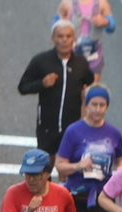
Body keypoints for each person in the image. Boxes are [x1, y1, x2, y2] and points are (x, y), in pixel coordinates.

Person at [17, 21, 94, 157]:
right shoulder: (41, 61)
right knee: (46, 165)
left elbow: (89, 80)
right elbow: (23, 87)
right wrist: (42, 83)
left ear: (74, 38)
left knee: (68, 165)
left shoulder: (81, 63)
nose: (64, 40)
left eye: (68, 36)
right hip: (47, 128)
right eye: (60, 36)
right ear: (53, 38)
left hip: (72, 127)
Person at [57, 0, 112, 84]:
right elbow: (55, 24)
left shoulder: (102, 3)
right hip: (71, 57)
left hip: (93, 57)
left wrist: (105, 22)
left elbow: (111, 28)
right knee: (71, 87)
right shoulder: (67, 3)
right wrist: (61, 22)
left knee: (92, 89)